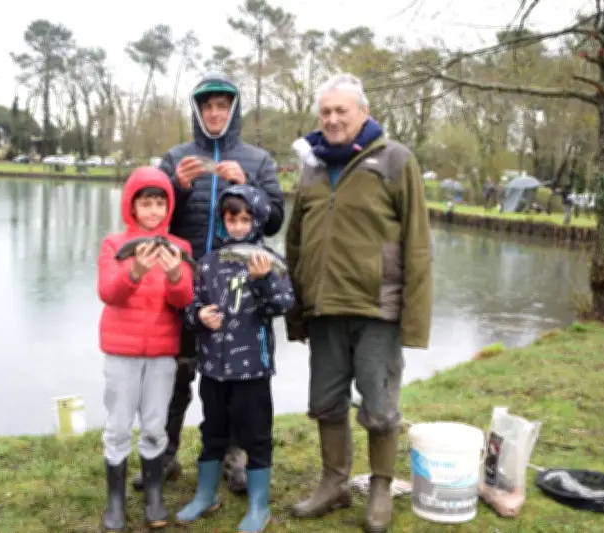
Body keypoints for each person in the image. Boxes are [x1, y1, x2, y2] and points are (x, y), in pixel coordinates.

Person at [285, 73, 433, 533]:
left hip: (377, 310)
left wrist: (414, 323)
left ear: (362, 114)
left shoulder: (395, 160)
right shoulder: (310, 166)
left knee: (381, 409)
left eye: (340, 111)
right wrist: (297, 309)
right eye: (325, 112)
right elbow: (295, 241)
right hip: (325, 309)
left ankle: (382, 489)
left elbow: (418, 244)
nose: (331, 119)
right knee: (325, 403)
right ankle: (333, 485)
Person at [130, 73, 285, 494]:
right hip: (183, 283)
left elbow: (274, 220)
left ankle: (236, 457)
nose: (214, 113)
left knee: (235, 376)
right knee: (175, 375)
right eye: (207, 107)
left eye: (222, 106)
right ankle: (164, 454)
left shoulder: (258, 160)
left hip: (239, 289)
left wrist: (247, 186)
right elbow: (152, 217)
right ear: (197, 112)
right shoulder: (176, 156)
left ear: (233, 111)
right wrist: (176, 188)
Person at [175, 184, 294, 532]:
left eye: (246, 219)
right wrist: (199, 318)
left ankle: (259, 505)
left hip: (252, 369)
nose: (239, 226)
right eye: (232, 219)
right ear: (222, 221)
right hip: (212, 368)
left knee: (256, 435)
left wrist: (260, 281)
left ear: (256, 220)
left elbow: (282, 306)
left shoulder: (271, 262)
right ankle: (205, 495)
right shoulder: (209, 263)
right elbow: (190, 308)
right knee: (212, 431)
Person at [97, 166, 195, 531]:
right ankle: (116, 502)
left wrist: (173, 276)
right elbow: (108, 292)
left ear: (167, 208)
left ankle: (154, 495)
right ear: (132, 206)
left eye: (159, 203)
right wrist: (134, 271)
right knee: (119, 424)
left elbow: (183, 298)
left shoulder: (180, 248)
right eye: (146, 203)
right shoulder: (114, 245)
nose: (153, 211)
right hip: (120, 352)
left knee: (155, 423)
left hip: (162, 352)